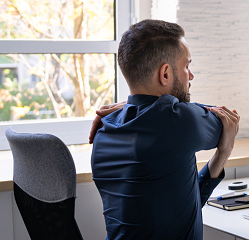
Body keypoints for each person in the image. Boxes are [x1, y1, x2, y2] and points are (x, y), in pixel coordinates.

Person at [89, 19, 240, 239]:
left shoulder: (105, 132)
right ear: (166, 74)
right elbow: (228, 119)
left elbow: (179, 206)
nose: (191, 76)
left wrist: (221, 157)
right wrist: (149, 107)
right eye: (187, 66)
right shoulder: (178, 121)